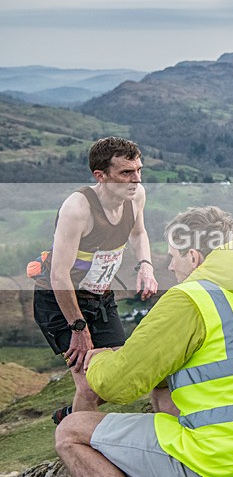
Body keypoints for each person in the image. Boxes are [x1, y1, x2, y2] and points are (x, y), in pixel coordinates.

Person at [54, 206, 233, 477]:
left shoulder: (191, 298)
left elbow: (114, 384)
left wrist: (97, 359)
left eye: (174, 256)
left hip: (227, 475)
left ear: (194, 257)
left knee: (70, 432)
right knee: (163, 386)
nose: (171, 267)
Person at [32, 137, 158, 423]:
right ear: (100, 176)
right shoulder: (77, 209)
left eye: (139, 170)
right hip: (59, 301)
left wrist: (146, 266)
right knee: (89, 386)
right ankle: (80, 445)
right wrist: (78, 328)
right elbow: (58, 275)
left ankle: (72, 416)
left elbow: (138, 233)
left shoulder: (136, 195)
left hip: (100, 297)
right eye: (126, 173)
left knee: (118, 378)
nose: (136, 179)